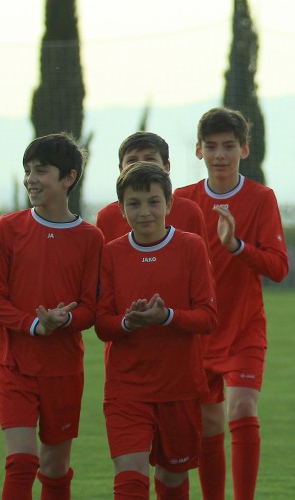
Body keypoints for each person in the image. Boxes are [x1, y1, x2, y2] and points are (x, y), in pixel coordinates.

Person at [174, 107, 289, 500]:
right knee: (208, 424)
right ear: (198, 151)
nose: (219, 154)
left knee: (241, 409)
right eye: (211, 146)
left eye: (228, 146)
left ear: (244, 149)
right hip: (199, 331)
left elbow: (278, 268)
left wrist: (237, 247)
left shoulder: (261, 198)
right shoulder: (182, 202)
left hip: (244, 329)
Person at [95, 162, 217, 499]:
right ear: (121, 209)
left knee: (173, 479)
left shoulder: (191, 246)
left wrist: (167, 317)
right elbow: (102, 325)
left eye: (153, 201)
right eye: (134, 203)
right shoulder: (110, 254)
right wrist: (126, 322)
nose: (144, 211)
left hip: (179, 387)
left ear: (169, 205)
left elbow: (208, 317)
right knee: (131, 479)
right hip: (126, 389)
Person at [0, 133, 104, 499]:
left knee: (55, 469)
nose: (30, 179)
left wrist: (65, 320)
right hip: (14, 366)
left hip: (63, 371)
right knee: (23, 462)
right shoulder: (7, 229)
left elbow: (91, 308)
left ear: (68, 178)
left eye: (40, 171)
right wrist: (34, 324)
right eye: (27, 170)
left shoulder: (91, 239)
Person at [94, 132, 208, 242]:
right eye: (132, 161)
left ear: (166, 167)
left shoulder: (189, 212)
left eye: (150, 159)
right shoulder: (108, 217)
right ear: (121, 170)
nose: (141, 166)